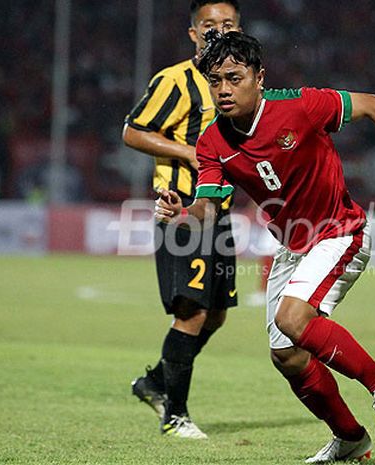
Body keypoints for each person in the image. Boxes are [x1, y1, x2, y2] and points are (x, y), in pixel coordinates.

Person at [155, 31, 375, 462]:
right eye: (215, 80)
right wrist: (179, 213)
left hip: (341, 230)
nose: (223, 89)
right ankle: (350, 438)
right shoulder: (212, 143)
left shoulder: (300, 106)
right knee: (287, 356)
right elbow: (208, 207)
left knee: (293, 318)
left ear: (260, 78)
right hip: (294, 247)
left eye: (234, 78)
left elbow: (372, 104)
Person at [121, 0, 242, 439]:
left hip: (220, 212)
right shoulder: (176, 81)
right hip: (181, 210)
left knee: (215, 316)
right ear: (194, 33)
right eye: (209, 25)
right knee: (191, 312)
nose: (218, 30)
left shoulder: (237, 84)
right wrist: (187, 152)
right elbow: (132, 130)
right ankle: (175, 414)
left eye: (227, 24)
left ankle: (154, 383)